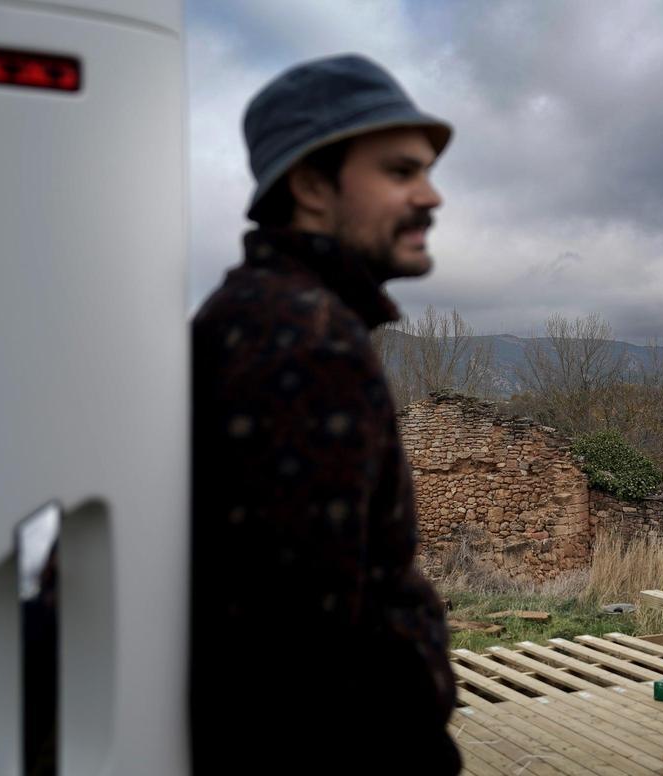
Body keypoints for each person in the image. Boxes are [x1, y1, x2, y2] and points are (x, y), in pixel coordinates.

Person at [190, 55, 460, 774]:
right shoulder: (306, 344)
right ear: (311, 184)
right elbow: (304, 655)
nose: (432, 195)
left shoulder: (261, 313)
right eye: (401, 172)